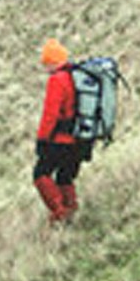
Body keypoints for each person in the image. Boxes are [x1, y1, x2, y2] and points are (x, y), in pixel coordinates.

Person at [34, 38, 93, 224]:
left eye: (46, 63)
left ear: (52, 62)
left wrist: (42, 140)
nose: (45, 68)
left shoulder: (57, 80)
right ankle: (72, 209)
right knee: (64, 176)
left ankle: (60, 213)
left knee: (40, 174)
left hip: (61, 140)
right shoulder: (77, 75)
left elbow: (50, 114)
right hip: (81, 139)